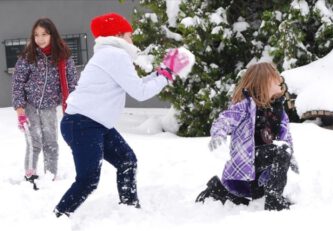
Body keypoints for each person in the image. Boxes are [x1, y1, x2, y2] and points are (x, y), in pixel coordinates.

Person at [54, 12, 189, 217]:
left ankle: (129, 210)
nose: (132, 39)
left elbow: (136, 85)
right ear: (118, 35)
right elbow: (141, 93)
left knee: (127, 160)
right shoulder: (114, 55)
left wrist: (162, 72)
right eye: (129, 35)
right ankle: (58, 215)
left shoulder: (110, 54)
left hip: (94, 123)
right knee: (88, 179)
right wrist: (167, 75)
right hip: (82, 124)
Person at [195, 62, 295, 211]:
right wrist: (218, 134)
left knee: (252, 204)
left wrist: (289, 159)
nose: (280, 80)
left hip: (263, 171)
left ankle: (219, 192)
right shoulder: (245, 107)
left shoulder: (279, 112)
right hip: (247, 162)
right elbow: (224, 120)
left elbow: (286, 139)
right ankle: (274, 198)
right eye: (275, 78)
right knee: (281, 151)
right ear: (263, 83)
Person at [12, 18, 78, 184]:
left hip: (49, 107)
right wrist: (20, 110)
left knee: (50, 143)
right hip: (30, 106)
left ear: (52, 35)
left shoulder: (63, 57)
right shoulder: (29, 56)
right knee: (34, 143)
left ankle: (50, 176)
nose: (39, 39)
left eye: (44, 34)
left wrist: (74, 108)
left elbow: (72, 84)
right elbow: (18, 83)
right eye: (36, 35)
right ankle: (30, 175)